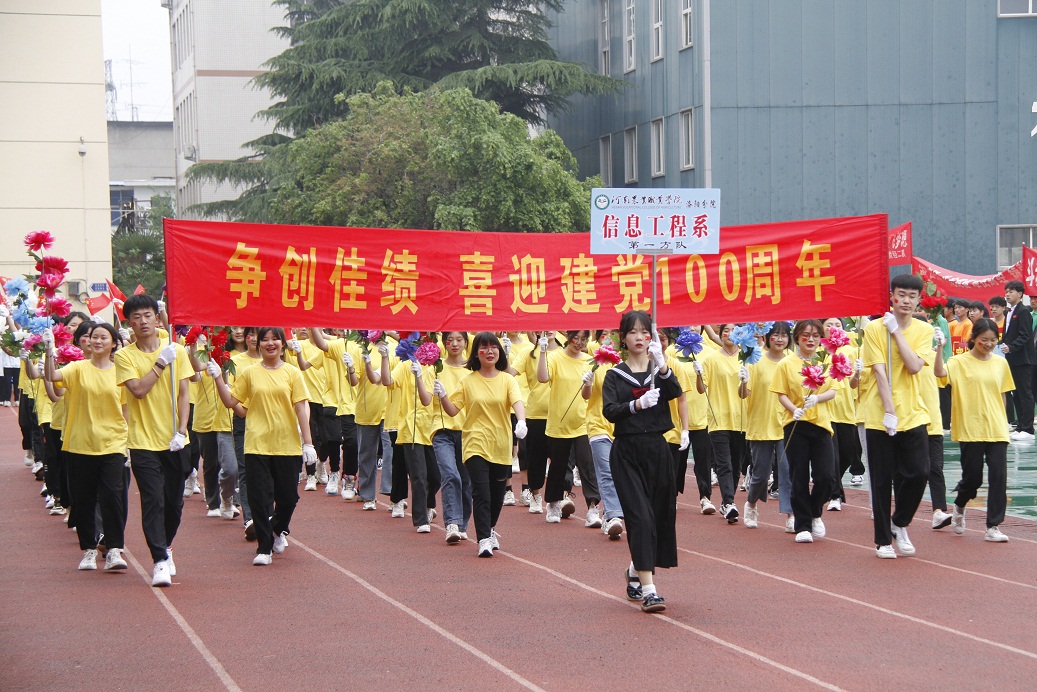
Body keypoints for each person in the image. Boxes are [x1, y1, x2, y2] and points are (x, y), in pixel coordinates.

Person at [209, 327, 316, 564]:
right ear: (258, 344)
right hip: (257, 443)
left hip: (286, 444)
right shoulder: (249, 373)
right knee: (258, 497)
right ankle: (264, 548)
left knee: (288, 498)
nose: (270, 343)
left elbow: (301, 408)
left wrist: (308, 444)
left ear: (282, 344)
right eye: (264, 340)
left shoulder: (292, 373)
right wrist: (218, 378)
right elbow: (232, 403)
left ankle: (277, 529)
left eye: (275, 339)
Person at [602, 311, 683, 613]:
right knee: (640, 517)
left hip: (658, 450)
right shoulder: (614, 375)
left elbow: (675, 393)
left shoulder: (658, 371)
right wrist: (636, 405)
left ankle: (635, 570)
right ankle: (649, 590)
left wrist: (662, 365)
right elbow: (610, 410)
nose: (639, 337)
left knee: (660, 516)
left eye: (644, 332)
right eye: (633, 332)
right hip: (627, 451)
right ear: (622, 338)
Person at [114, 294, 197, 586]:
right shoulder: (125, 356)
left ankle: (166, 545)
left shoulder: (176, 349)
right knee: (153, 500)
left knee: (174, 502)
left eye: (148, 315)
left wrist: (182, 430)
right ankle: (159, 559)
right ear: (130, 323)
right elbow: (137, 390)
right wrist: (160, 363)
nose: (143, 321)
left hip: (174, 439)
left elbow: (184, 393)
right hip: (142, 441)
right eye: (136, 317)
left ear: (157, 317)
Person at [862, 275, 939, 559]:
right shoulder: (873, 328)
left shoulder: (924, 330)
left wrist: (896, 332)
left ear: (919, 300)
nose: (906, 300)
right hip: (879, 414)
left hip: (913, 412)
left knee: (919, 472)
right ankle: (883, 540)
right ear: (891, 296)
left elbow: (914, 366)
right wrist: (888, 410)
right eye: (901, 294)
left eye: (912, 296)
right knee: (881, 480)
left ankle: (900, 522)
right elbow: (879, 371)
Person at [44, 322, 129, 571]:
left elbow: (126, 411)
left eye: (104, 337)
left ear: (114, 343)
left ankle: (114, 549)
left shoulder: (121, 373)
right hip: (79, 444)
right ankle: (89, 549)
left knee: (113, 497)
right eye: (94, 337)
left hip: (113, 443)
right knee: (83, 500)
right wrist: (49, 351)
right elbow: (52, 377)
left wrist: (128, 444)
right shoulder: (77, 368)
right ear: (88, 342)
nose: (98, 341)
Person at [437, 332, 526, 557]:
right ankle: (484, 538)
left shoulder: (507, 379)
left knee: (497, 495)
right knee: (481, 493)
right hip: (475, 443)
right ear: (476, 353)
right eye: (483, 347)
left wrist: (521, 421)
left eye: (493, 347)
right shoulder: (467, 381)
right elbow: (453, 410)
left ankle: (490, 528)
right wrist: (443, 395)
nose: (489, 351)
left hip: (501, 444)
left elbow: (517, 402)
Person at [936, 318, 1013, 542]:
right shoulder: (958, 362)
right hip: (970, 427)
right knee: (973, 479)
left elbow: (1003, 394)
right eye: (984, 340)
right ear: (974, 339)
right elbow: (939, 373)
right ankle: (960, 505)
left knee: (999, 476)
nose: (988, 344)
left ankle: (993, 526)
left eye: (993, 340)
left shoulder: (1000, 363)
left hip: (996, 427)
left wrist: (1004, 422)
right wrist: (939, 347)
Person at [770, 320, 840, 544]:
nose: (811, 340)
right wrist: (794, 409)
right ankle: (803, 525)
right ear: (797, 338)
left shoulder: (826, 360)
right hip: (796, 425)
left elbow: (833, 390)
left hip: (821, 425)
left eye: (815, 336)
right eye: (806, 335)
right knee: (798, 476)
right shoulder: (786, 363)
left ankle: (814, 511)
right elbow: (780, 393)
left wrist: (817, 398)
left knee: (826, 476)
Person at [536, 330, 601, 526]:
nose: (579, 342)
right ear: (568, 337)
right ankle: (553, 503)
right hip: (559, 422)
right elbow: (542, 378)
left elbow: (587, 396)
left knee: (587, 465)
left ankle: (593, 507)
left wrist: (588, 383)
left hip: (583, 423)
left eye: (584, 339)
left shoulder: (589, 361)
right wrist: (542, 351)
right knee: (558, 465)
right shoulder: (555, 357)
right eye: (576, 338)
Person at [741, 322, 793, 531]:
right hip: (761, 423)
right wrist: (743, 381)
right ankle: (751, 503)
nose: (780, 339)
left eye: (784, 335)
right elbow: (743, 394)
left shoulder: (792, 361)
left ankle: (790, 514)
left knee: (787, 471)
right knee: (761, 474)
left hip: (787, 424)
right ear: (767, 337)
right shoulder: (755, 360)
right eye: (776, 335)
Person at [693, 324, 745, 523]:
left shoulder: (747, 358)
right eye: (726, 330)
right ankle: (729, 502)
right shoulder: (711, 359)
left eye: (734, 330)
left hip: (741, 419)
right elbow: (701, 389)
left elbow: (749, 391)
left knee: (736, 465)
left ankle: (726, 502)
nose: (729, 334)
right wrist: (698, 374)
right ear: (720, 335)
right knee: (724, 464)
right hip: (718, 418)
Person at [430, 332, 474, 544]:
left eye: (459, 340)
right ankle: (452, 523)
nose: (454, 344)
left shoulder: (473, 369)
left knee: (466, 480)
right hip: (442, 430)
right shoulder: (436, 367)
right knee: (450, 474)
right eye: (450, 340)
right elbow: (424, 398)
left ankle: (462, 523)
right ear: (444, 343)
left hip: (467, 431)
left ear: (466, 342)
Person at [1000, 280, 1035, 442]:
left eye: (1011, 291)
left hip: (1023, 359)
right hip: (1011, 359)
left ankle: (1028, 429)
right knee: (1016, 394)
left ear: (1020, 294)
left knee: (1025, 393)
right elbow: (1008, 334)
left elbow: (1025, 335)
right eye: (1006, 291)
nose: (1007, 294)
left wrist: (1012, 347)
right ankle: (1020, 426)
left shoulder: (1023, 311)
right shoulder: (1009, 312)